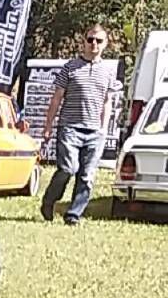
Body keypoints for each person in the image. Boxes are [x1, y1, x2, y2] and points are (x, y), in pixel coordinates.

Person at [40, 23, 121, 225]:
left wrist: (103, 129)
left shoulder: (108, 72)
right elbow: (56, 98)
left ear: (105, 44)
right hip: (70, 127)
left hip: (94, 131)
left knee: (87, 176)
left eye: (98, 40)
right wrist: (48, 127)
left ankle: (73, 214)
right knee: (68, 168)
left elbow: (107, 101)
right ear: (84, 42)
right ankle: (49, 201)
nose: (94, 44)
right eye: (90, 39)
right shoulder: (70, 67)